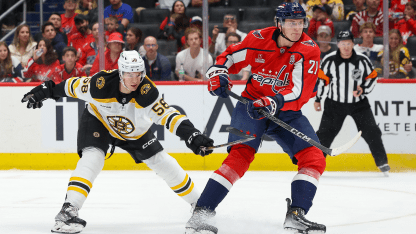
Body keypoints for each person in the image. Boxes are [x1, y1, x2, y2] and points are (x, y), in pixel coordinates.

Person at [21, 50, 214, 234]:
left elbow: (169, 115)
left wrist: (192, 135)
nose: (134, 79)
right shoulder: (101, 84)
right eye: (129, 74)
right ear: (120, 73)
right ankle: (68, 211)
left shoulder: (147, 92)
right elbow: (72, 86)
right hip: (99, 121)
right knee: (93, 158)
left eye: (138, 73)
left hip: (134, 132)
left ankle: (200, 206)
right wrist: (47, 91)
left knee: (161, 161)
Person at [185, 3, 326, 234]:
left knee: (314, 157)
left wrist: (274, 102)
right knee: (239, 157)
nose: (296, 28)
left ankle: (296, 215)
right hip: (251, 107)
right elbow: (228, 57)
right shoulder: (257, 38)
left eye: (300, 23)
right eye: (291, 23)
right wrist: (218, 73)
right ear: (279, 23)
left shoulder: (309, 50)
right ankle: (201, 213)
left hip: (286, 112)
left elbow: (300, 92)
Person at [315, 30, 390, 175]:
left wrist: (364, 89)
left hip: (359, 104)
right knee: (324, 135)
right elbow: (322, 81)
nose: (346, 47)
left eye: (348, 43)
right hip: (334, 104)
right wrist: (318, 99)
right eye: (343, 44)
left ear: (353, 44)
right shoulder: (329, 60)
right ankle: (315, 165)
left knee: (372, 132)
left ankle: (382, 163)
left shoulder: (362, 60)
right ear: (338, 44)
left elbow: (372, 77)